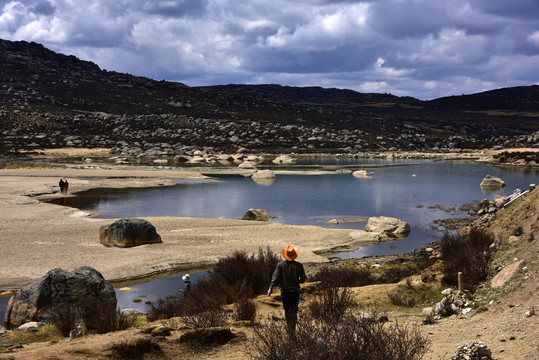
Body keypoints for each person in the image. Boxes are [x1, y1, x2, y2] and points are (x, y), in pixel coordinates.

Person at [267, 245, 306, 335]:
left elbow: (275, 277)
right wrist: (298, 281)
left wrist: (270, 288)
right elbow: (303, 278)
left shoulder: (280, 265)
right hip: (295, 292)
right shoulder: (299, 265)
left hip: (284, 292)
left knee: (287, 311)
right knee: (294, 311)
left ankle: (289, 330)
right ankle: (292, 330)